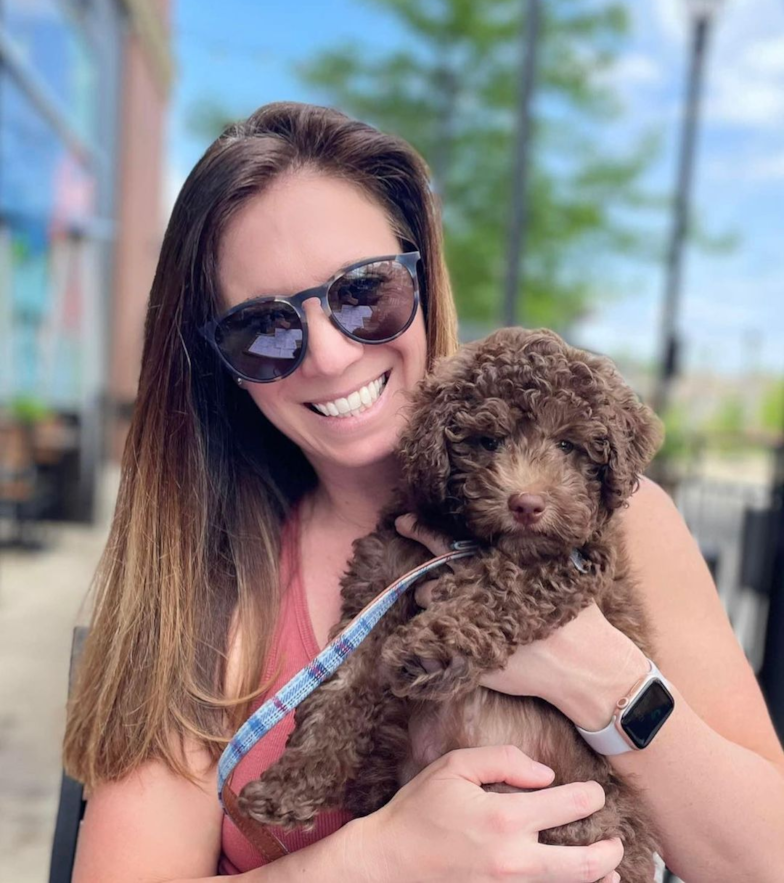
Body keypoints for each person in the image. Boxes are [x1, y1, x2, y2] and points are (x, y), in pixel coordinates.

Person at [63, 102, 784, 882]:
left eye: (364, 293)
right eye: (264, 330)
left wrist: (608, 682)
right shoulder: (205, 589)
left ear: (421, 276)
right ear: (221, 367)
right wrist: (376, 860)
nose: (332, 357)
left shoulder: (625, 524)